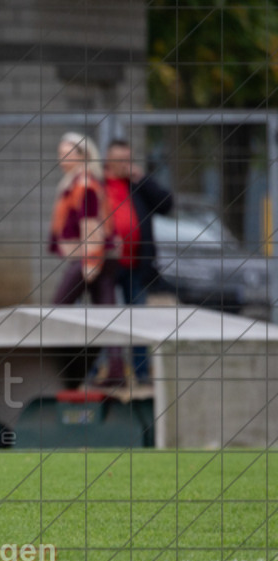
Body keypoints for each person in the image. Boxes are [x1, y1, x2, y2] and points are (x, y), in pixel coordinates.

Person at [48, 132, 126, 386]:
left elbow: (91, 225)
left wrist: (90, 262)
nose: (62, 158)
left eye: (67, 153)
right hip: (96, 256)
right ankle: (115, 370)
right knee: (106, 314)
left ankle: (63, 372)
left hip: (91, 257)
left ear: (83, 155)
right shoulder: (79, 183)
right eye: (60, 153)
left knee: (55, 312)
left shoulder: (84, 185)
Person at [104, 138, 173, 383]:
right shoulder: (100, 184)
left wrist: (143, 179)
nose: (125, 165)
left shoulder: (137, 186)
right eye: (120, 160)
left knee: (138, 319)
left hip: (136, 266)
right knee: (106, 320)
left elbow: (166, 204)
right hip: (108, 267)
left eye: (128, 160)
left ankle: (141, 373)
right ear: (108, 161)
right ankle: (107, 371)